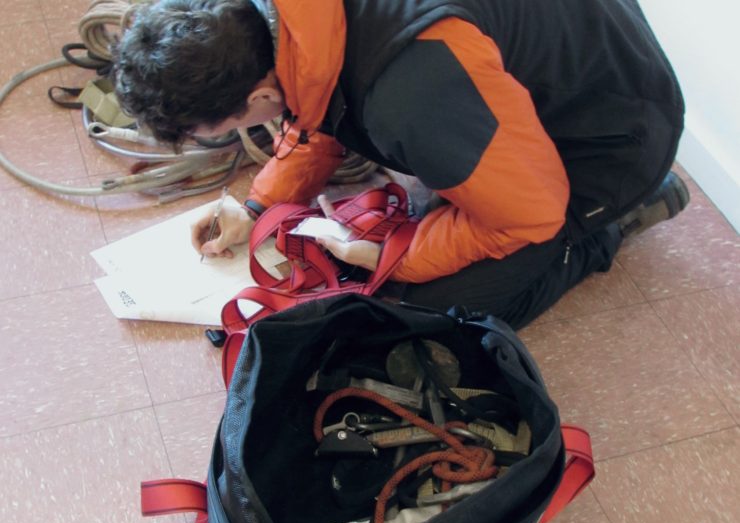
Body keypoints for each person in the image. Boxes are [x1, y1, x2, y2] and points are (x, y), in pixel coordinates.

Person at [112, 0, 687, 329]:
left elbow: (529, 213)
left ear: (259, 100)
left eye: (212, 129)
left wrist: (397, 257)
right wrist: (258, 203)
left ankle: (612, 224)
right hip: (540, 75)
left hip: (610, 137)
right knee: (435, 195)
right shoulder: (278, 20)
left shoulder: (412, 97)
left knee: (428, 308)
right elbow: (319, 95)